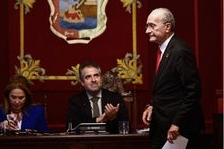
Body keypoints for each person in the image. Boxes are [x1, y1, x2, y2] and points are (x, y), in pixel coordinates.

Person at [142, 8, 205, 148]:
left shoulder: (180, 51)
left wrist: (177, 123)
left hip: (179, 129)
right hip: (162, 126)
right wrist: (151, 105)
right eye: (147, 26)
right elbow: (168, 87)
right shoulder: (164, 50)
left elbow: (193, 92)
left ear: (167, 27)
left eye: (152, 26)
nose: (147, 31)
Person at [66, 61, 129, 134]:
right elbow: (71, 126)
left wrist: (113, 118)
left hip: (110, 142)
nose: (93, 80)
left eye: (96, 75)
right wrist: (99, 119)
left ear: (101, 78)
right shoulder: (75, 101)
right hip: (84, 143)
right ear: (82, 82)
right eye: (88, 77)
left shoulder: (115, 98)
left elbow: (126, 127)